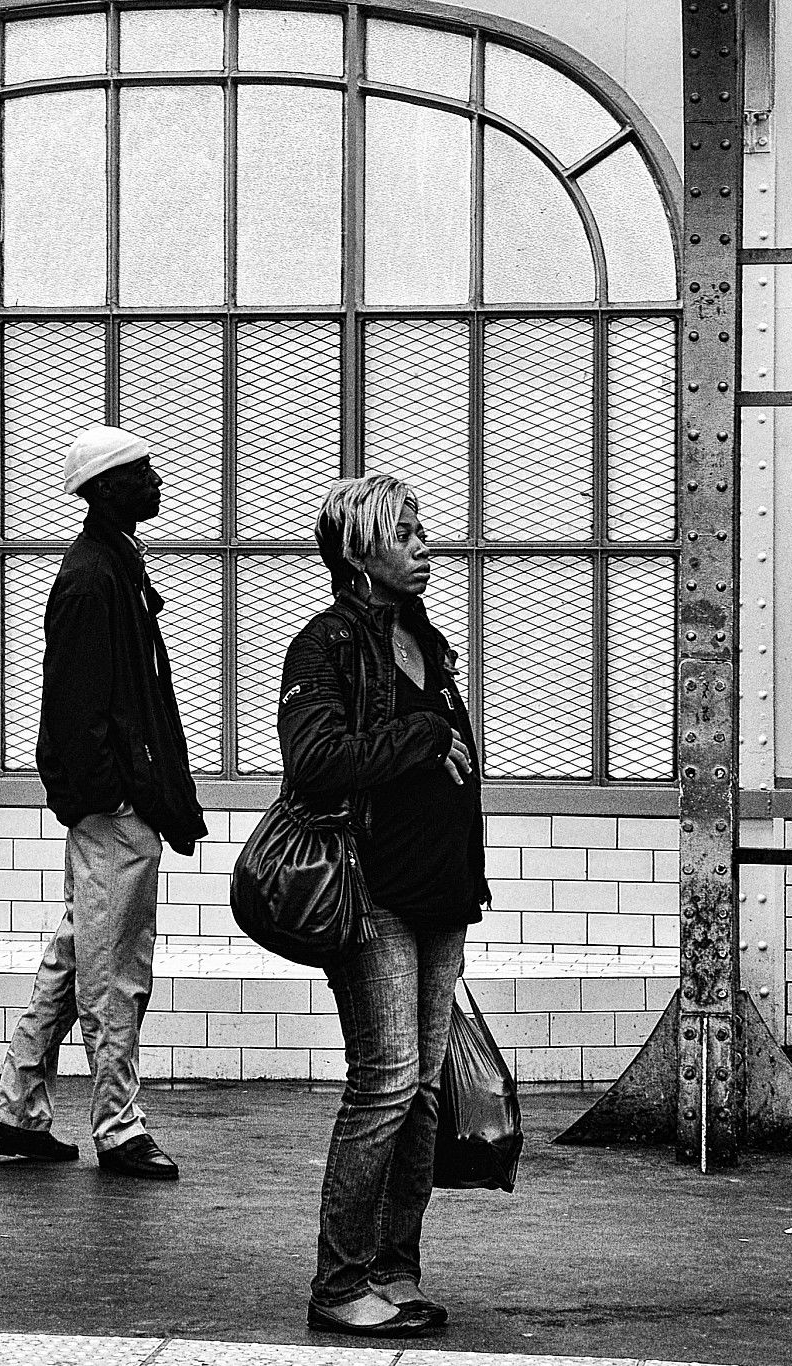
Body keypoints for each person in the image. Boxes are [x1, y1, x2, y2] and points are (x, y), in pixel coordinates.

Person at [278, 475, 489, 1338]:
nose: (426, 545)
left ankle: (396, 1269)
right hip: (371, 898)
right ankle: (341, 1282)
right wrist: (424, 736)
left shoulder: (423, 641)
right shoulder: (327, 644)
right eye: (406, 534)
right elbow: (317, 759)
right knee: (387, 1084)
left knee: (425, 1095)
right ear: (361, 552)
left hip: (437, 893)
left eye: (424, 530)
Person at [0, 426, 206, 1180]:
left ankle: (17, 1109)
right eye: (143, 471)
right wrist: (115, 793)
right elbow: (76, 712)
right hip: (115, 812)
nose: (157, 479)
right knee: (114, 973)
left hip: (113, 805)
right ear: (107, 487)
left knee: (76, 956)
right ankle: (119, 1126)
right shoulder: (93, 577)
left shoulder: (109, 567)